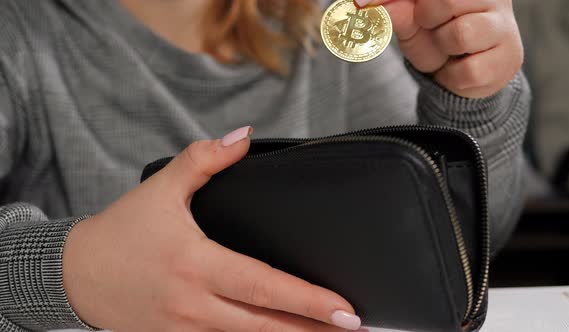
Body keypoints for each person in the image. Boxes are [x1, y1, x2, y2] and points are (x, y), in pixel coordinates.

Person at [0, 0, 529, 331]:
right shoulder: (20, 32)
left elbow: (459, 244)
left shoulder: (324, 25)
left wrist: (469, 96)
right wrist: (70, 273)